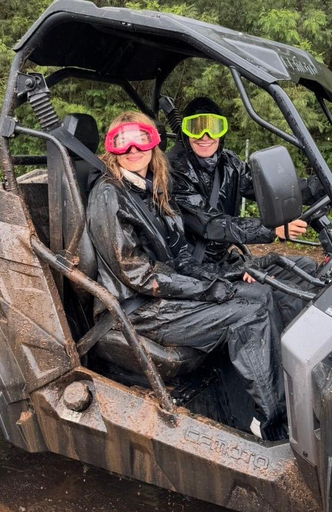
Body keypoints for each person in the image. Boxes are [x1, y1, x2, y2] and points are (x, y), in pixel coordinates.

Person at [87, 111, 286, 440]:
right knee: (249, 314)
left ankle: (271, 402)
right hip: (139, 310)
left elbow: (180, 255)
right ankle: (273, 428)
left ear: (155, 144)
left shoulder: (152, 190)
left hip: (163, 298)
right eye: (123, 142)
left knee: (260, 294)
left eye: (142, 139)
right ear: (112, 149)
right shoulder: (111, 194)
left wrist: (226, 277)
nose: (134, 149)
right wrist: (210, 290)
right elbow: (140, 277)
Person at [167, 97, 332, 323]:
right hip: (194, 269)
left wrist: (326, 185)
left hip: (223, 261)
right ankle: (276, 350)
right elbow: (210, 224)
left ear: (222, 131)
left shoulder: (229, 164)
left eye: (213, 127)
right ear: (185, 133)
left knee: (305, 267)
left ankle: (295, 334)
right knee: (263, 293)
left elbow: (273, 189)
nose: (205, 137)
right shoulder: (174, 171)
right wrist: (272, 230)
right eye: (196, 128)